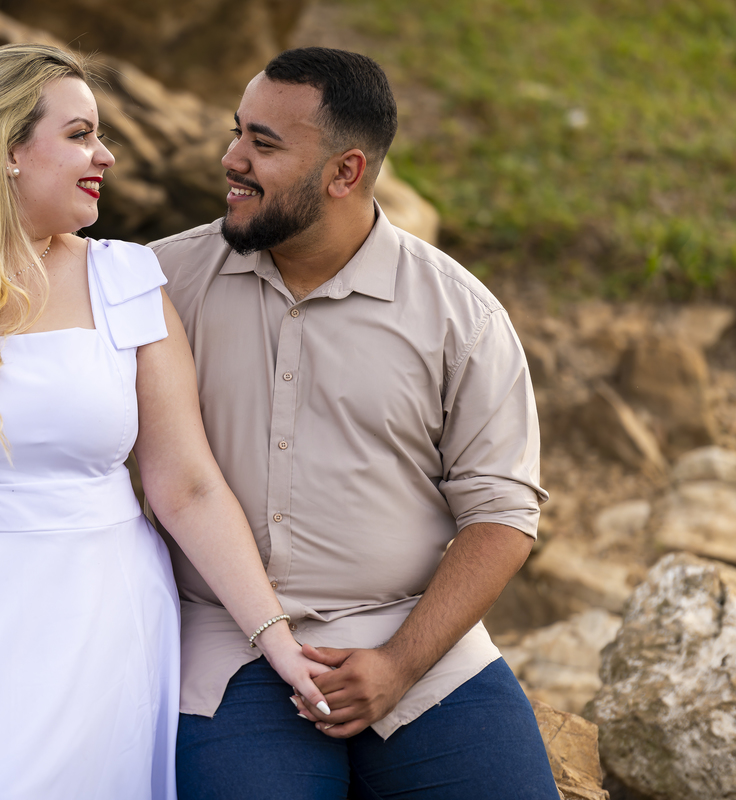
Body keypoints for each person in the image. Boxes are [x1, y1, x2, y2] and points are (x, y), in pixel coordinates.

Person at [0, 43, 329, 800]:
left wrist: (277, 640)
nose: (106, 155)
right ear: (7, 148)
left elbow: (186, 487)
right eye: (81, 134)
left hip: (100, 625)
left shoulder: (126, 282)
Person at [149, 47, 562, 799]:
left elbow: (501, 516)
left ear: (345, 173)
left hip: (418, 648)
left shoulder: (459, 316)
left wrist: (401, 663)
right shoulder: (160, 288)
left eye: (263, 145)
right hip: (226, 649)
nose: (230, 159)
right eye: (238, 131)